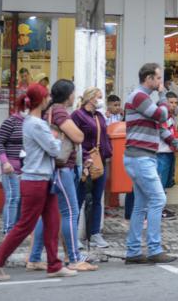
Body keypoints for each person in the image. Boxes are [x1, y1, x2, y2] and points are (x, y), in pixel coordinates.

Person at [0, 83, 76, 281]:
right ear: (41, 100)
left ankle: (54, 264)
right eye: (46, 96)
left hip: (43, 179)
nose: (48, 99)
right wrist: (57, 138)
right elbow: (54, 149)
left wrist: (54, 138)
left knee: (52, 222)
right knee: (25, 225)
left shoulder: (34, 122)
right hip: (35, 180)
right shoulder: (35, 124)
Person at [125, 63, 178, 264]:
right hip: (140, 157)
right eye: (158, 78)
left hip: (141, 157)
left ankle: (133, 251)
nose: (161, 82)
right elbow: (162, 115)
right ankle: (154, 249)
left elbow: (162, 129)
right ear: (148, 79)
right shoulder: (139, 96)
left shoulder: (145, 99)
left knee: (141, 205)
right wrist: (163, 96)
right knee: (158, 200)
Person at [27, 80, 96, 272]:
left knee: (47, 214)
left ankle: (34, 259)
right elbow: (78, 137)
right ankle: (74, 258)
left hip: (52, 168)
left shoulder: (49, 111)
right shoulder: (59, 111)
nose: (75, 96)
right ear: (68, 95)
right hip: (62, 168)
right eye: (74, 92)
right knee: (70, 212)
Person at [72, 87, 113, 248]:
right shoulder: (77, 115)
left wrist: (108, 152)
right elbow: (74, 140)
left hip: (100, 162)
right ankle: (73, 235)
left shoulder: (99, 116)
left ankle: (95, 233)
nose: (102, 100)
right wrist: (85, 158)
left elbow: (105, 136)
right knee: (79, 198)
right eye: (99, 97)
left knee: (97, 199)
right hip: (85, 162)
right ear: (91, 99)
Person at [0, 101, 25, 234]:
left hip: (27, 168)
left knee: (22, 199)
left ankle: (17, 229)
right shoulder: (10, 122)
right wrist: (4, 162)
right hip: (11, 167)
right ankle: (8, 230)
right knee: (13, 197)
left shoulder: (32, 123)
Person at [158, 92, 178, 219]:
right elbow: (167, 136)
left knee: (165, 183)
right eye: (171, 102)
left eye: (176, 103)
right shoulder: (161, 116)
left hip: (169, 153)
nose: (174, 105)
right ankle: (158, 210)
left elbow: (174, 134)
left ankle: (161, 208)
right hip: (161, 154)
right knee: (160, 184)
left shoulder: (170, 117)